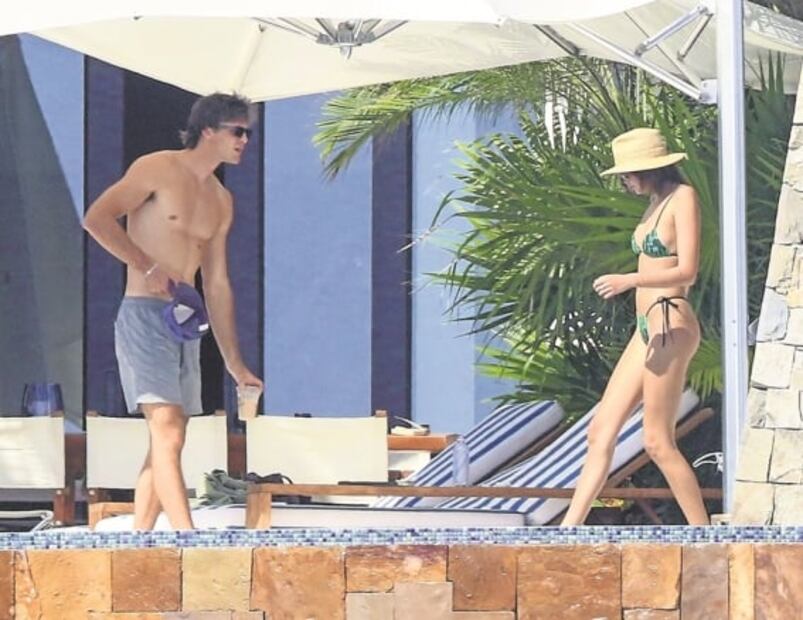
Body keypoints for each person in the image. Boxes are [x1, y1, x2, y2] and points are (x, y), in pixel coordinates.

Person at [83, 93, 263, 530]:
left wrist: (236, 364)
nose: (245, 141)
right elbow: (97, 219)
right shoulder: (157, 168)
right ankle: (187, 537)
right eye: (238, 131)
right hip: (144, 314)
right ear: (209, 130)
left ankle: (138, 542)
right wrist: (146, 265)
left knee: (165, 439)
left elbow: (216, 284)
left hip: (185, 324)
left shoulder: (221, 199)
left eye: (248, 133)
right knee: (169, 431)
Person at [561, 127, 709, 526]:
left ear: (650, 169)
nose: (624, 181)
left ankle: (705, 535)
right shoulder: (654, 204)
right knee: (599, 432)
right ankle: (566, 531)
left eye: (627, 174)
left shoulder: (683, 198)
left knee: (657, 441)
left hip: (670, 321)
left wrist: (629, 280)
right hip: (646, 329)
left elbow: (688, 271)